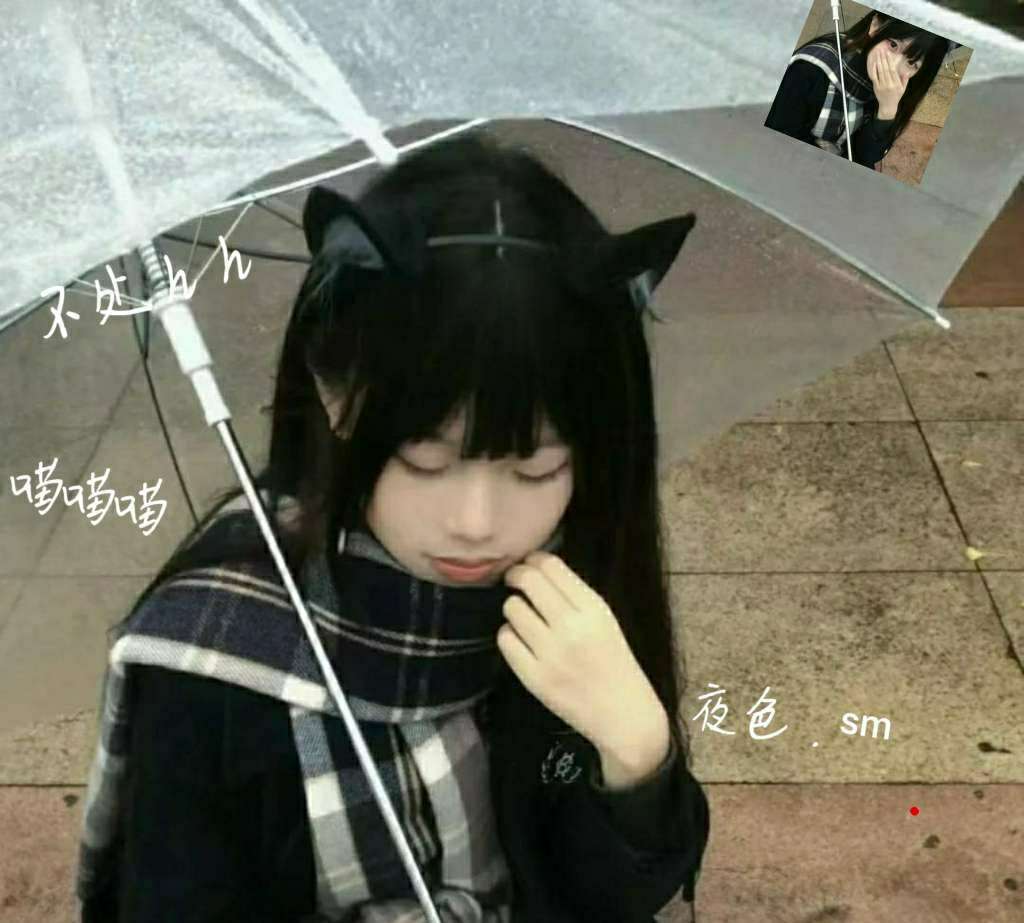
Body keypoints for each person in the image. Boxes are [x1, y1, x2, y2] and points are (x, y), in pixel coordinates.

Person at [75, 133, 710, 922]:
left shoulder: (567, 599)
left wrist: (639, 761)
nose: (478, 524)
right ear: (336, 393)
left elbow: (607, 896)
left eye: (537, 469)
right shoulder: (217, 662)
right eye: (424, 459)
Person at [765, 8, 949, 168]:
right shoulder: (810, 70)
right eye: (893, 45)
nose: (893, 67)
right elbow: (779, 137)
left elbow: (867, 157)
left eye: (911, 63)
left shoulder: (900, 89)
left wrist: (886, 111)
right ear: (875, 25)